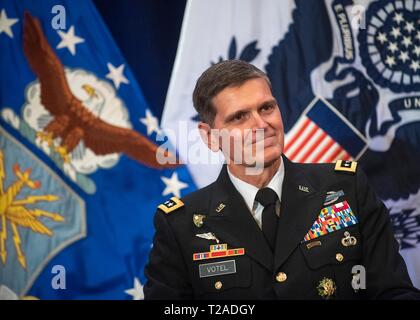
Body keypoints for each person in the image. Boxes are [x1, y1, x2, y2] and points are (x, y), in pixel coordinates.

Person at [144, 60, 420, 299]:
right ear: (210, 137)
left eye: (266, 108)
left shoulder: (346, 188)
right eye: (239, 117)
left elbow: (393, 291)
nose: (261, 125)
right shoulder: (180, 226)